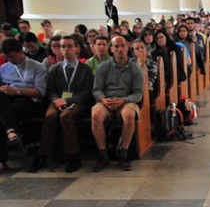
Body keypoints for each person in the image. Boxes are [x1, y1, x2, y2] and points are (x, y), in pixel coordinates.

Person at [29, 35, 93, 173]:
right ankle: (43, 155)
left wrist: (68, 101)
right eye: (63, 46)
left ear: (77, 48)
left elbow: (86, 92)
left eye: (70, 46)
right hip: (58, 100)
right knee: (50, 116)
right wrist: (56, 100)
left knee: (66, 117)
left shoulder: (85, 69)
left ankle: (73, 156)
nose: (66, 49)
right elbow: (51, 90)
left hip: (78, 101)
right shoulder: (54, 69)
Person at [91, 36, 144, 172]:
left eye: (122, 46)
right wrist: (103, 99)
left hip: (126, 100)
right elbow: (97, 89)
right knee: (96, 115)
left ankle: (123, 154)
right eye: (116, 46)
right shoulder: (103, 67)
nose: (120, 49)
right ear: (111, 49)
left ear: (127, 47)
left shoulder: (135, 68)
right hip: (106, 100)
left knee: (129, 115)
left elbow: (138, 93)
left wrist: (124, 100)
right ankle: (103, 155)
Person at [0, 37, 47, 150]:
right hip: (7, 100)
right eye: (6, 57)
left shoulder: (37, 67)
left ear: (21, 52)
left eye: (12, 56)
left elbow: (40, 92)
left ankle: (11, 132)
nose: (9, 60)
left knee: (4, 115)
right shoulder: (4, 68)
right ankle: (11, 132)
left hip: (28, 100)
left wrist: (17, 91)